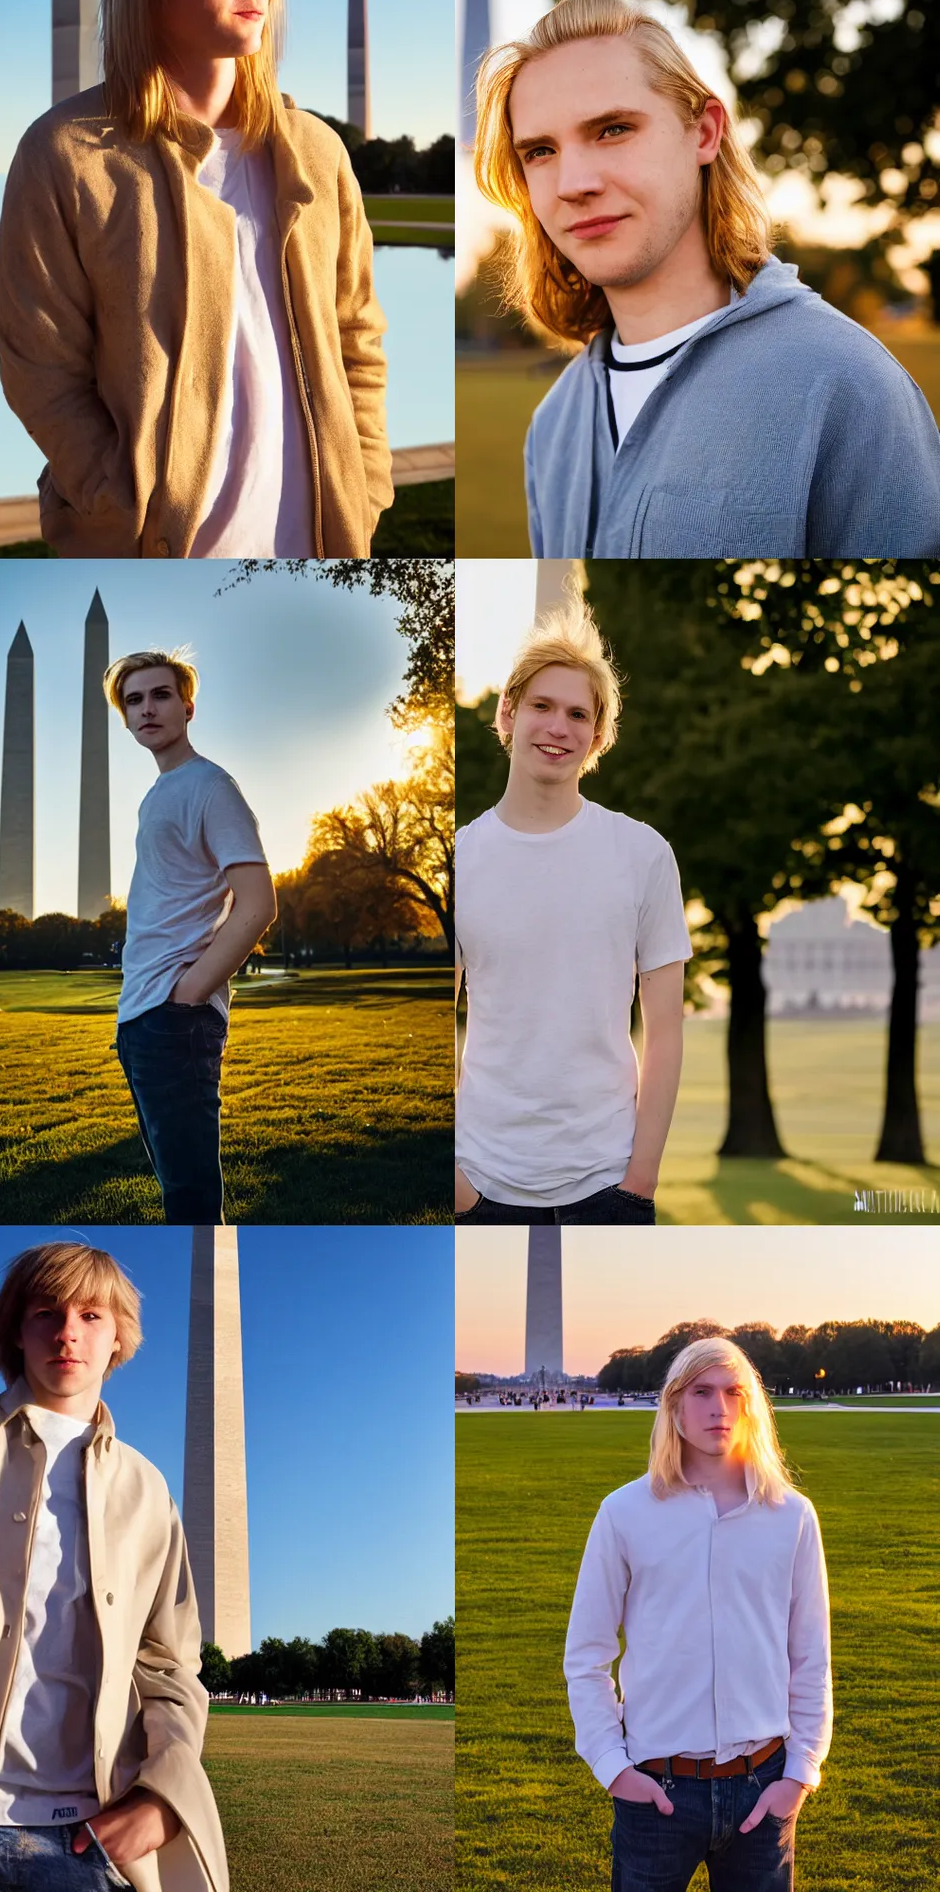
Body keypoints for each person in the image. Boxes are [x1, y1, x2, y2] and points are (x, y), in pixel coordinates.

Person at [0, 0, 391, 558]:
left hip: (320, 550)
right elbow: (40, 367)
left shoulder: (319, 154)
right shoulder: (66, 153)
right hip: (153, 554)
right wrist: (116, 500)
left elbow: (359, 340)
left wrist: (366, 485)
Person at [472, 0, 940, 560]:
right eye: (540, 151)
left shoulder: (851, 387)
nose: (574, 183)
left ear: (704, 133)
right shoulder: (553, 424)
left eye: (613, 129)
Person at [0, 1242, 229, 1892]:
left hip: (84, 1838)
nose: (67, 1333)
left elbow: (168, 1663)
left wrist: (161, 1795)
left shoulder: (145, 1490)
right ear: (14, 1329)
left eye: (91, 1316)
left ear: (119, 1337)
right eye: (45, 1312)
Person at [564, 1337, 832, 1892]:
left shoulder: (792, 1517)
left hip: (763, 1785)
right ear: (675, 1407)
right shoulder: (624, 1513)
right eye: (702, 1391)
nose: (720, 1407)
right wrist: (613, 1767)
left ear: (752, 1405)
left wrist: (799, 1775)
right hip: (657, 1791)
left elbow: (811, 1658)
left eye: (735, 1392)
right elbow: (587, 1655)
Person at [455, 594, 690, 1222]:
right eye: (541, 706)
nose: (558, 727)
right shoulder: (460, 858)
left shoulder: (643, 854)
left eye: (578, 714)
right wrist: (456, 1186)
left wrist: (640, 1181)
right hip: (481, 1181)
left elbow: (666, 1032)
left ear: (597, 736)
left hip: (609, 1179)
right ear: (507, 713)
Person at [105, 649, 276, 1224]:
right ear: (125, 718)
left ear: (187, 707)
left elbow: (258, 904)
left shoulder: (209, 786)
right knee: (178, 1192)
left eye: (160, 695)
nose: (147, 709)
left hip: (173, 1017)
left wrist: (189, 993)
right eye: (133, 700)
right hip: (143, 1016)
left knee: (191, 1202)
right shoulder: (159, 794)